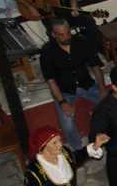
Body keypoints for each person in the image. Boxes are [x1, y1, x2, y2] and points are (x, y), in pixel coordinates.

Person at [39, 18, 104, 152]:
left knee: (112, 103)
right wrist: (62, 102)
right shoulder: (47, 51)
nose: (67, 37)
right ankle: (79, 151)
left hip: (87, 85)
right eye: (61, 35)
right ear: (54, 35)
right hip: (65, 91)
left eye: (68, 33)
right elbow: (51, 81)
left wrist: (102, 89)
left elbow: (96, 66)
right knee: (67, 124)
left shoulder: (82, 42)